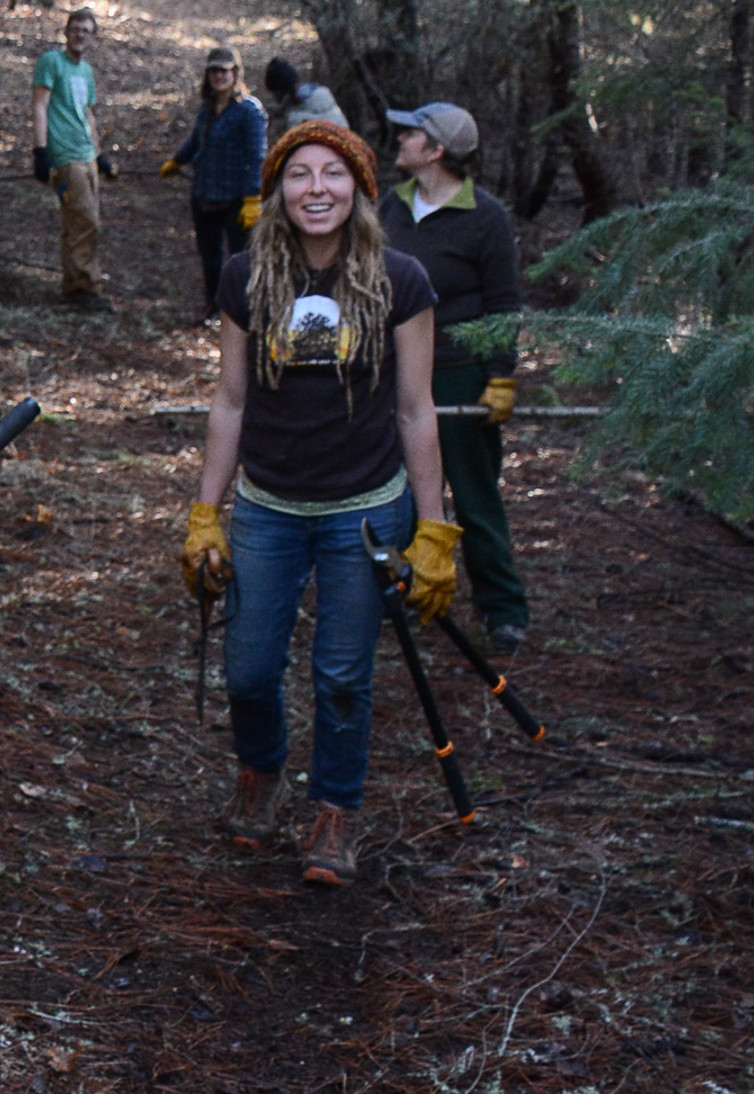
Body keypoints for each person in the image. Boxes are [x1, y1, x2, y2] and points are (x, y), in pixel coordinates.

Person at [178, 120, 462, 886]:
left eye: (332, 175)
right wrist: (208, 513)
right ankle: (261, 771)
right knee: (248, 668)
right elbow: (230, 401)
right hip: (268, 503)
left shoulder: (401, 280)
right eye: (299, 174)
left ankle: (336, 809)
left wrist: (434, 529)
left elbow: (415, 410)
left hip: (365, 510)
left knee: (341, 674)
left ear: (360, 190)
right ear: (277, 192)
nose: (316, 189)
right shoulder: (245, 275)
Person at [379, 102, 530, 652]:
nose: (399, 139)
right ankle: (393, 594)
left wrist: (500, 375)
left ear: (437, 150)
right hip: (395, 371)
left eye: (411, 134)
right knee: (391, 492)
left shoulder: (484, 216)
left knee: (473, 495)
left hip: (459, 375)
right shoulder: (390, 207)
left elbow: (504, 303)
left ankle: (503, 609)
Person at [160, 44, 269, 318]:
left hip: (236, 198)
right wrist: (177, 161)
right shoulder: (207, 108)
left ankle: (244, 313)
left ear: (235, 73)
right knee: (209, 257)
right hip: (205, 193)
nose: (219, 77)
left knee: (240, 259)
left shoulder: (250, 111)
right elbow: (197, 141)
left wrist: (253, 197)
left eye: (224, 71)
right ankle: (213, 306)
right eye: (213, 72)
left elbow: (257, 156)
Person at [30, 6, 116, 311]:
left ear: (94, 37)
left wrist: (100, 154)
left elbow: (88, 114)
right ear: (66, 32)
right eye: (75, 29)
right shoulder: (52, 62)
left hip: (86, 154)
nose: (80, 35)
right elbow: (40, 106)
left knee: (78, 222)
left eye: (86, 31)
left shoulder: (86, 71)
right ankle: (85, 288)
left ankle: (74, 287)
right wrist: (41, 151)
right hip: (65, 155)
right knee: (86, 222)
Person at [261, 56, 348, 140]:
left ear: (280, 90)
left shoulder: (296, 120)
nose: (273, 97)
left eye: (273, 93)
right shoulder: (324, 96)